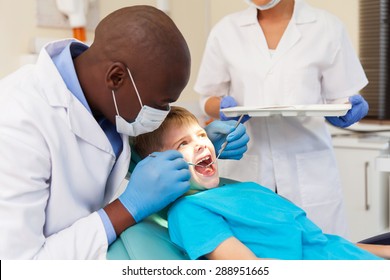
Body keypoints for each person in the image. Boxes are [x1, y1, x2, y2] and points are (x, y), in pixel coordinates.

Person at [0, 6, 249, 259]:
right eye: (161, 103)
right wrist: (128, 208)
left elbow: (111, 158)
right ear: (116, 77)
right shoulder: (16, 123)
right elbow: (19, 264)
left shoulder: (108, 102)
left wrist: (192, 147)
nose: (164, 112)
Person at [193, 0, 370, 238]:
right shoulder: (226, 31)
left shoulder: (327, 27)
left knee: (320, 258)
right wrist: (223, 108)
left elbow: (343, 98)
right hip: (246, 165)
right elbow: (206, 98)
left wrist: (346, 110)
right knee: (256, 261)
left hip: (310, 171)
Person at [133, 106, 389, 260]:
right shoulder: (191, 211)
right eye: (183, 143)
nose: (201, 143)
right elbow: (251, 270)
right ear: (159, 165)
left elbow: (321, 242)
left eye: (200, 134)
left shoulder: (239, 190)